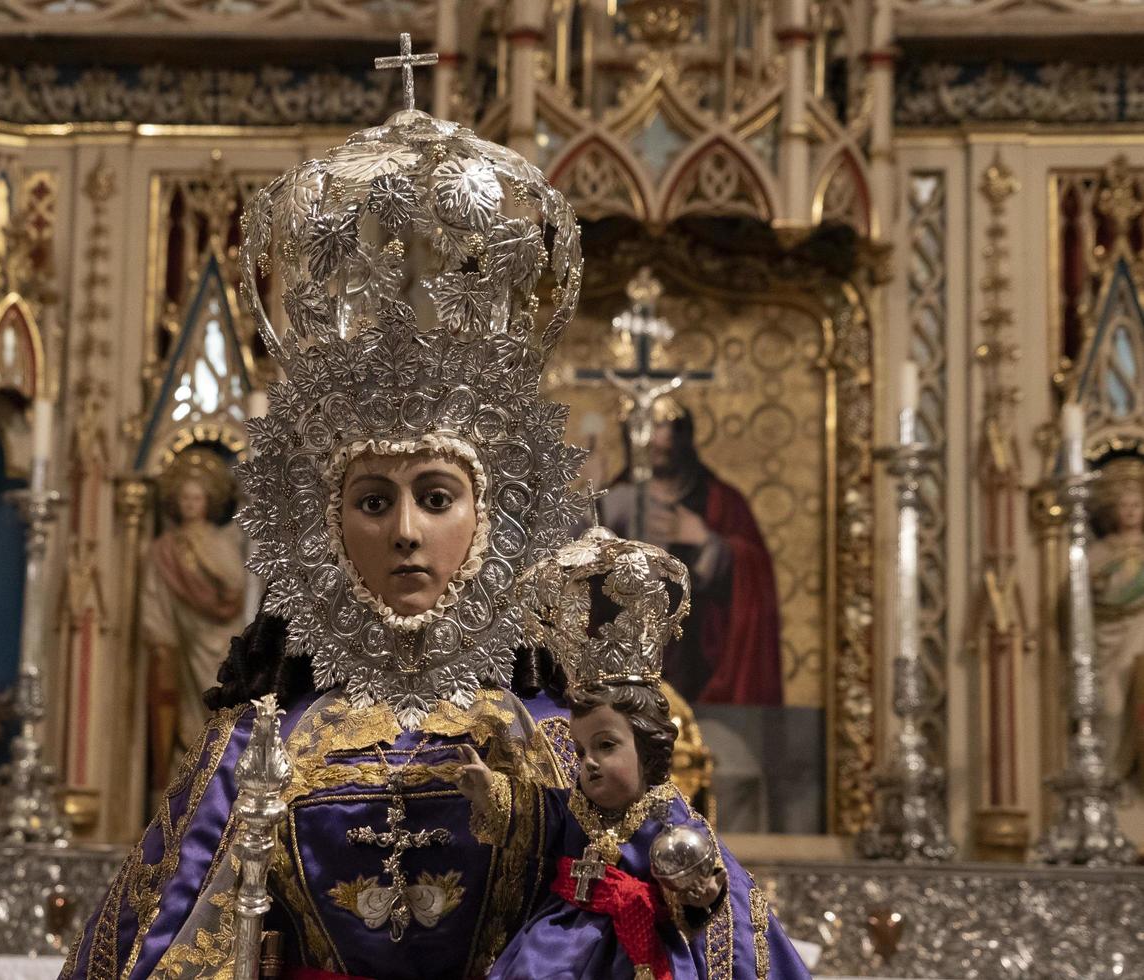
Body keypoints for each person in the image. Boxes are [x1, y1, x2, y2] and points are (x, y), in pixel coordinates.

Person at [60, 100, 589, 980]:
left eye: (437, 497)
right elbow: (167, 951)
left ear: (493, 519)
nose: (408, 533)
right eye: (375, 501)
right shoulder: (255, 746)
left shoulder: (556, 745)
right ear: (324, 525)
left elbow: (647, 929)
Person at [461, 528, 810, 980]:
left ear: (648, 749)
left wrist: (701, 895)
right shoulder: (576, 805)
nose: (587, 761)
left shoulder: (666, 817)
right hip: (557, 941)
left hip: (639, 948)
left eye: (605, 746)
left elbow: (713, 884)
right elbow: (539, 818)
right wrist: (492, 791)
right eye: (579, 748)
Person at [601, 406, 783, 706]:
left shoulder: (722, 502)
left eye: (667, 426)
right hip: (625, 669)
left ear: (684, 435)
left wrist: (706, 542)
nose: (657, 439)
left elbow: (756, 574)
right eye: (645, 427)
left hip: (705, 667)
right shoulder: (611, 503)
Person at [138, 448, 247, 790]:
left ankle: (219, 777)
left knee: (219, 699)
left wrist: (204, 556)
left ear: (208, 501)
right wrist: (160, 636)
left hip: (218, 638)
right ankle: (181, 779)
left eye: (196, 497)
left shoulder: (218, 541)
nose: (189, 503)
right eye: (183, 497)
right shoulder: (163, 548)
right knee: (184, 708)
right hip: (179, 639)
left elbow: (236, 584)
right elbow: (154, 595)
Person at [1090, 455, 1144, 787]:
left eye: (1137, 504)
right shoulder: (1099, 552)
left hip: (1140, 633)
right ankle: (1107, 779)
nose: (1131, 511)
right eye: (1124, 505)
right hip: (1108, 637)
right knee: (1109, 706)